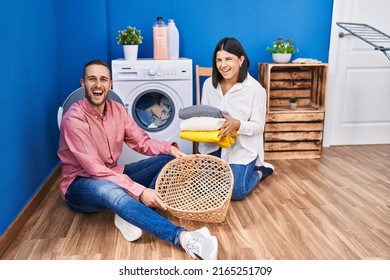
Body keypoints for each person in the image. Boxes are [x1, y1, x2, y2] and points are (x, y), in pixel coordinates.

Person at [57, 60, 218, 260]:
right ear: (83, 84)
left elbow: (141, 141)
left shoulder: (117, 109)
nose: (98, 84)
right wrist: (140, 192)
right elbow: (96, 170)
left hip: (113, 174)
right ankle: (184, 238)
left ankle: (126, 213)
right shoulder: (73, 119)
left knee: (166, 158)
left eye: (103, 79)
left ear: (110, 84)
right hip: (80, 183)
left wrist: (169, 148)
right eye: (92, 79)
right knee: (110, 190)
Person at [198, 37, 274, 200]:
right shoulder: (209, 85)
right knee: (204, 189)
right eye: (219, 60)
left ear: (241, 60)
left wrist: (238, 124)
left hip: (240, 150)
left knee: (236, 191)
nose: (223, 65)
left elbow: (259, 126)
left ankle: (261, 171)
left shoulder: (255, 90)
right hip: (213, 146)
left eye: (228, 59)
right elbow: (205, 115)